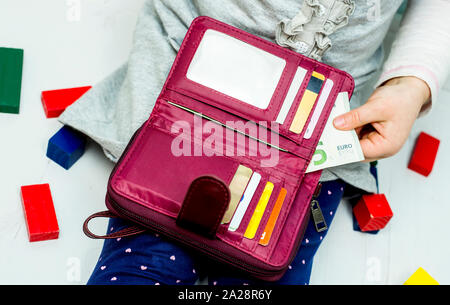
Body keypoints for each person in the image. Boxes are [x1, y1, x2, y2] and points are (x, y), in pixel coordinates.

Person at [60, 0, 450, 285]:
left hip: (317, 122)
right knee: (147, 256)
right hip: (187, 77)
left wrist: (410, 85)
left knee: (263, 269)